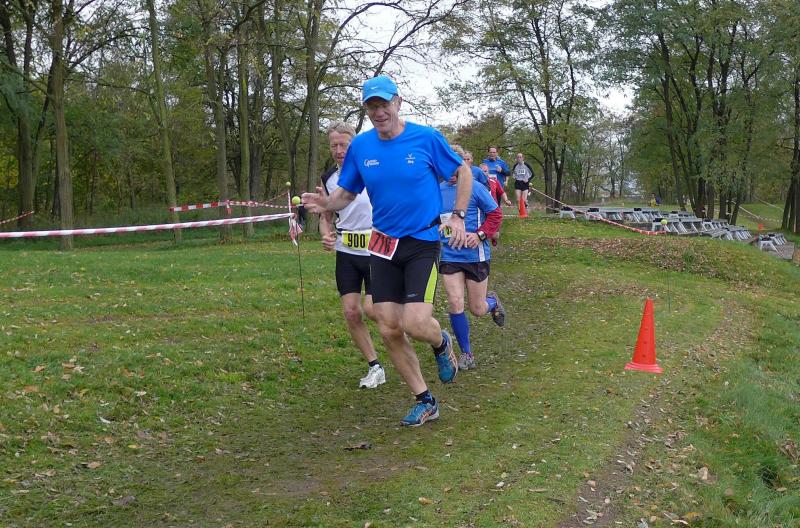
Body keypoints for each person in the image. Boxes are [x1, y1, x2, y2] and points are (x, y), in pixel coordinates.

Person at [303, 75, 473, 427]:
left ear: (398, 103)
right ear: (366, 110)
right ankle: (425, 400)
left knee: (415, 323)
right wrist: (326, 204)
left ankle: (441, 341)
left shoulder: (425, 138)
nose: (379, 112)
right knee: (388, 327)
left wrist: (458, 216)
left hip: (421, 241)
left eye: (384, 104)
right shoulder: (362, 147)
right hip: (381, 244)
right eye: (372, 107)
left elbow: (463, 172)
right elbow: (347, 193)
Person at [319, 121, 385, 389]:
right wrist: (326, 234)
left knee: (374, 310)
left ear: (354, 144)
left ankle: (413, 330)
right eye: (333, 146)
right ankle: (375, 366)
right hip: (346, 250)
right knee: (351, 312)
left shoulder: (373, 168)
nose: (338, 151)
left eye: (343, 145)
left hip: (376, 248)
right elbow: (326, 215)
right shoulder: (328, 178)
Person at [439, 160, 505, 371]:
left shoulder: (475, 188)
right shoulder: (437, 189)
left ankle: (492, 302)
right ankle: (466, 354)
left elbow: (496, 214)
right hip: (449, 255)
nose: (450, 172)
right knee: (455, 302)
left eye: (454, 168)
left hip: (475, 256)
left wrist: (480, 235)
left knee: (477, 309)